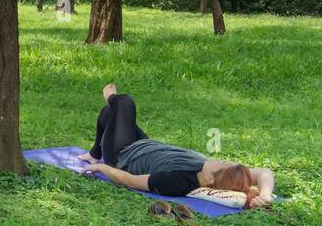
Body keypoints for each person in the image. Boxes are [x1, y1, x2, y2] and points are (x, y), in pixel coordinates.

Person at [77, 84, 275, 209]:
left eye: (220, 163)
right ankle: (95, 152)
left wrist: (102, 167)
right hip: (144, 144)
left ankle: (110, 96)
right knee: (108, 114)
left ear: (210, 179)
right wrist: (265, 195)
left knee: (123, 103)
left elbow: (129, 180)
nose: (217, 159)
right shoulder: (219, 173)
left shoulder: (175, 182)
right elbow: (265, 172)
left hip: (122, 154)